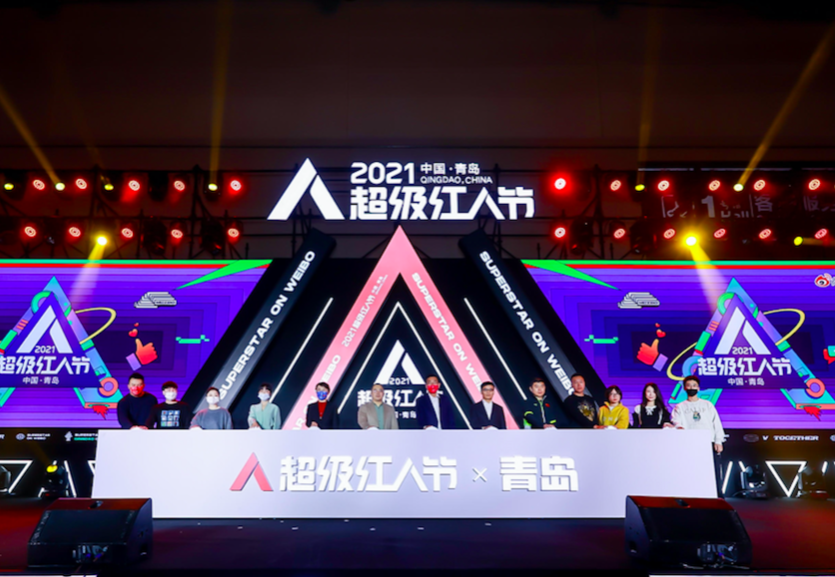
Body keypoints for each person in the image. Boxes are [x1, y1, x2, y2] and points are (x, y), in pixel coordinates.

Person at [672, 375, 725, 493]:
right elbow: (675, 421)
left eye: (694, 385)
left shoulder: (707, 405)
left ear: (698, 388)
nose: (692, 388)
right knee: (691, 471)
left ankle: (718, 496)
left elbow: (716, 423)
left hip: (708, 442)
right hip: (689, 443)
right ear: (684, 388)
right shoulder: (679, 407)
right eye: (689, 386)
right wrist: (679, 427)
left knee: (713, 471)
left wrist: (718, 441)